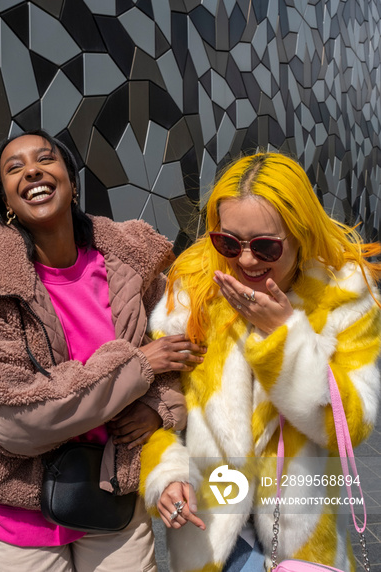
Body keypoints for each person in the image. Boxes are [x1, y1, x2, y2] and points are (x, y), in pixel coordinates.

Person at [0, 129, 207, 572]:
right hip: (20, 515)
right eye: (14, 168)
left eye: (45, 159)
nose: (32, 170)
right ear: (6, 200)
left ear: (70, 180)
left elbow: (179, 361)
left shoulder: (130, 265)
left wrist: (159, 411)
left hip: (113, 500)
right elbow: (14, 421)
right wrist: (136, 368)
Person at [139, 152, 381, 572]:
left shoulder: (343, 295)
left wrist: (284, 335)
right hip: (210, 524)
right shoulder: (193, 290)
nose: (246, 260)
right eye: (228, 243)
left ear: (301, 233)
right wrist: (166, 475)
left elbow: (351, 426)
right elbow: (156, 410)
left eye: (266, 246)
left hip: (300, 539)